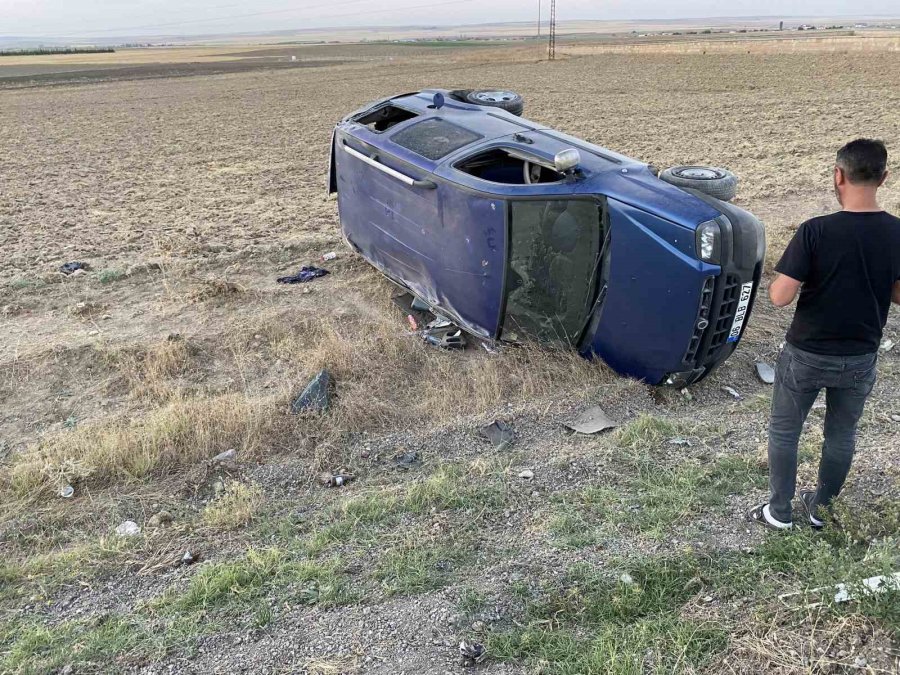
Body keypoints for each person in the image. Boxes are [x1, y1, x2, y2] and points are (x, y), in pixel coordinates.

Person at [749, 139, 900, 530]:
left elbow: (780, 297)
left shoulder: (815, 231)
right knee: (841, 434)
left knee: (785, 431)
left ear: (838, 175)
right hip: (860, 356)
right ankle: (821, 510)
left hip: (806, 354)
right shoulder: (896, 233)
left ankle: (779, 513)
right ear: (884, 177)